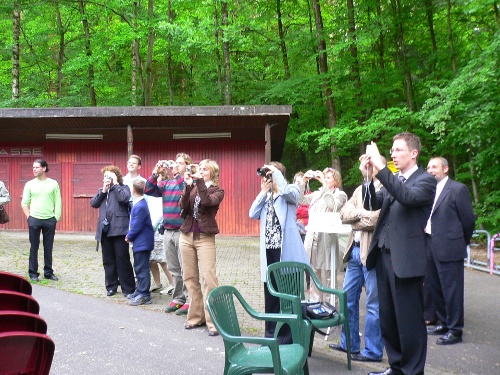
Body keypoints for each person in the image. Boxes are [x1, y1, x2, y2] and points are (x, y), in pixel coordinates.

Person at [360, 132, 436, 375]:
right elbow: (372, 203)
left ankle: (413, 371)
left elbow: (406, 198)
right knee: (389, 318)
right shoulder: (397, 181)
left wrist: (382, 168)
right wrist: (369, 178)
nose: (392, 154)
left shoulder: (425, 181)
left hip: (406, 261)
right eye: (391, 150)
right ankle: (396, 367)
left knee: (410, 321)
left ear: (414, 154)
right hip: (383, 257)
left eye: (397, 150)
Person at [249, 161, 309, 343]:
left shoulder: (291, 189)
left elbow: (290, 194)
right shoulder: (266, 196)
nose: (266, 177)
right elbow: (252, 213)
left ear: (278, 174)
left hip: (287, 252)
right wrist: (262, 192)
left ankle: (289, 338)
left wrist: (277, 175)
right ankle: (270, 336)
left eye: (269, 173)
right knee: (271, 295)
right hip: (269, 251)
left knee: (288, 296)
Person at [329, 167, 384, 362]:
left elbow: (377, 219)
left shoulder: (384, 188)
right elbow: (344, 214)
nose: (365, 168)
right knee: (347, 298)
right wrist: (361, 214)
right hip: (353, 250)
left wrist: (355, 217)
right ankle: (349, 344)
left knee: (373, 303)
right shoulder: (360, 189)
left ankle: (373, 351)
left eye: (370, 165)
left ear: (378, 167)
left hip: (371, 253)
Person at [425, 157, 475, 345]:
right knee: (434, 287)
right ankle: (443, 323)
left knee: (452, 290)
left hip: (450, 246)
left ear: (445, 169)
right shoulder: (429, 190)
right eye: (428, 167)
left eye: (434, 167)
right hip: (429, 243)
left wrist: (462, 241)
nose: (430, 170)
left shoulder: (457, 189)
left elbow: (468, 220)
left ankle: (455, 330)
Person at [179, 159, 224, 336]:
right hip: (186, 235)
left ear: (213, 173)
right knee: (189, 277)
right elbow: (182, 206)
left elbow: (206, 202)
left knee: (209, 278)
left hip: (205, 237)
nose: (201, 171)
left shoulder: (218, 191)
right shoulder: (194, 186)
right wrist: (187, 187)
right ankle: (196, 317)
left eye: (205, 169)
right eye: (200, 168)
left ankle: (213, 321)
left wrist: (197, 182)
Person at [145, 153, 191, 315]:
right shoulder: (167, 183)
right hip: (168, 231)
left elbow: (183, 189)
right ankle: (178, 299)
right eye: (175, 163)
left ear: (187, 166)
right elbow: (148, 190)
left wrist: (178, 173)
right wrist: (156, 173)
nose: (176, 165)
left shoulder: (187, 182)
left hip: (183, 232)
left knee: (186, 268)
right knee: (174, 268)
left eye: (180, 163)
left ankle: (190, 300)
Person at [299, 167, 347, 301]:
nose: (325, 180)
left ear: (335, 180)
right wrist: (303, 182)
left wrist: (324, 186)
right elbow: (301, 200)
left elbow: (333, 206)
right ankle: (315, 306)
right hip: (314, 238)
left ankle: (331, 306)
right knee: (314, 274)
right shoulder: (317, 194)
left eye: (328, 178)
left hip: (327, 240)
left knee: (328, 275)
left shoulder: (340, 194)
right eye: (324, 177)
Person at [90, 165, 135, 297]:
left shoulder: (123, 188)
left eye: (109, 176)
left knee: (122, 260)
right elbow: (94, 203)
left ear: (116, 176)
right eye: (105, 176)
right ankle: (111, 286)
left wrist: (115, 184)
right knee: (108, 260)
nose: (107, 178)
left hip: (120, 230)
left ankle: (128, 288)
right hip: (105, 231)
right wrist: (104, 190)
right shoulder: (102, 190)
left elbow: (125, 199)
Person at [21, 159, 62, 282]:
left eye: (37, 167)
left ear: (44, 168)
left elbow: (58, 202)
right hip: (34, 219)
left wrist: (56, 218)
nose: (34, 169)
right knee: (34, 247)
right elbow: (24, 202)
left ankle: (48, 272)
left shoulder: (53, 184)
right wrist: (29, 217)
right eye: (33, 167)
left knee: (48, 247)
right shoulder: (29, 184)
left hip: (49, 220)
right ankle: (33, 272)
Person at [125, 180, 155, 306]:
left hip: (142, 243)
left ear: (133, 190)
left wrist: (129, 236)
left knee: (142, 268)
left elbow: (136, 225)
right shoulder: (140, 203)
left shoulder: (140, 205)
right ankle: (139, 290)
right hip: (140, 243)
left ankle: (144, 294)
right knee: (138, 266)